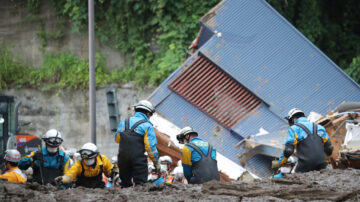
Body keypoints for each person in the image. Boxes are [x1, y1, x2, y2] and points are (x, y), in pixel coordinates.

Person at [114, 100, 160, 188]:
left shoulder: (124, 122)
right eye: (150, 115)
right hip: (138, 159)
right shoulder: (147, 126)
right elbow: (150, 147)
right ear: (148, 113)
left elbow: (117, 139)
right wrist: (156, 162)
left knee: (125, 185)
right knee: (140, 186)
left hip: (122, 158)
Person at [272, 108, 334, 172]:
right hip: (321, 164)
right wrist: (325, 162)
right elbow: (329, 148)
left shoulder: (294, 129)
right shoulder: (319, 127)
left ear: (293, 119)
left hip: (305, 165)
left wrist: (279, 163)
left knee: (295, 178)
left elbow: (288, 150)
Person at [55, 143, 119, 188]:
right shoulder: (79, 164)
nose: (87, 161)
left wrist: (115, 174)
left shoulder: (102, 160)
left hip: (99, 189)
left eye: (90, 159)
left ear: (95, 156)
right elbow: (70, 175)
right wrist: (62, 179)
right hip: (82, 190)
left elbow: (110, 171)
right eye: (85, 159)